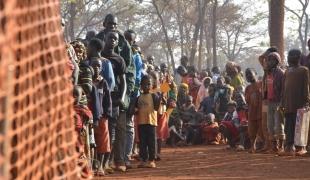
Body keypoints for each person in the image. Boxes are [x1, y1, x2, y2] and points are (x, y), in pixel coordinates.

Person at [101, 31, 127, 172]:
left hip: (114, 98)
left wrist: (122, 98)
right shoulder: (99, 56)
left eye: (115, 39)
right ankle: (99, 162)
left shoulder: (119, 59)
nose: (112, 40)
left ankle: (108, 162)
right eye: (110, 37)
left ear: (117, 42)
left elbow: (123, 82)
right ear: (105, 38)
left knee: (112, 132)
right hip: (100, 97)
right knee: (101, 130)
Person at [280, 49, 310, 156]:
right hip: (288, 104)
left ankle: (300, 148)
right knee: (289, 126)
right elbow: (284, 88)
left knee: (299, 126)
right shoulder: (287, 71)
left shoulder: (304, 70)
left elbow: (306, 88)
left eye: (291, 55)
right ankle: (289, 147)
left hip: (299, 103)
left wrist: (306, 102)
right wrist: (282, 102)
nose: (289, 57)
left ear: (298, 57)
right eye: (289, 55)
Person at [89, 59, 112, 176]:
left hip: (102, 117)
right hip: (89, 117)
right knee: (91, 142)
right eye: (94, 66)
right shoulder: (87, 81)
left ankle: (101, 166)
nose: (96, 68)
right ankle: (92, 166)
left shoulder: (103, 83)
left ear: (101, 68)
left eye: (98, 66)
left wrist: (107, 113)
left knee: (102, 142)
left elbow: (108, 100)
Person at [133, 75, 160, 168]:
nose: (146, 86)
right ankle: (143, 160)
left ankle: (151, 160)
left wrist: (161, 96)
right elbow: (136, 109)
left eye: (149, 84)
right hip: (141, 123)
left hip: (151, 123)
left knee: (151, 142)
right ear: (141, 86)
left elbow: (156, 107)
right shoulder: (138, 98)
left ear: (152, 85)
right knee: (142, 143)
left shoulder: (154, 96)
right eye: (144, 84)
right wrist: (135, 110)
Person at [258, 47, 278, 152]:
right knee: (265, 123)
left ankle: (274, 145)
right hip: (266, 99)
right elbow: (260, 58)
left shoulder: (278, 70)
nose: (268, 60)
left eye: (271, 58)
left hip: (275, 99)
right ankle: (268, 144)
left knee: (274, 123)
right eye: (268, 58)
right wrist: (268, 52)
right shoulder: (267, 68)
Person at [265, 52, 285, 154]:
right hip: (270, 102)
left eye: (273, 60)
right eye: (269, 60)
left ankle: (281, 146)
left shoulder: (281, 73)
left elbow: (283, 89)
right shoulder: (268, 73)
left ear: (277, 61)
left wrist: (282, 102)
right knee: (270, 124)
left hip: (278, 102)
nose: (270, 62)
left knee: (278, 125)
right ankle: (274, 146)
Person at [245, 68, 263, 153]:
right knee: (252, 130)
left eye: (249, 74)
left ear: (255, 73)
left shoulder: (261, 84)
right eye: (246, 75)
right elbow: (247, 101)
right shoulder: (248, 88)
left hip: (261, 111)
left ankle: (266, 145)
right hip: (252, 111)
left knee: (262, 129)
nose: (248, 76)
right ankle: (253, 146)